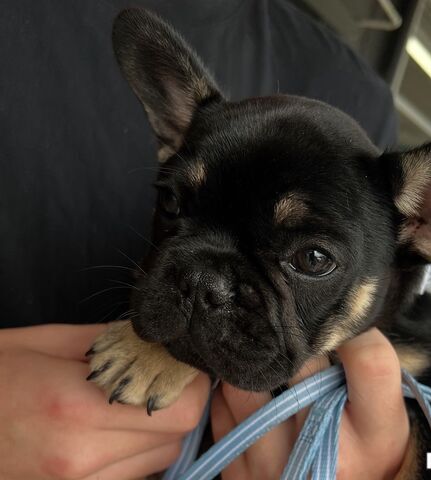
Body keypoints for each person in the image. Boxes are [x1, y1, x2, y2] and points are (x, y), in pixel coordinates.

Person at [1, 1, 405, 478]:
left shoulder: (359, 95)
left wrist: (401, 466)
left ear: (420, 223)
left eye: (311, 257)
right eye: (175, 208)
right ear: (172, 136)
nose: (207, 287)